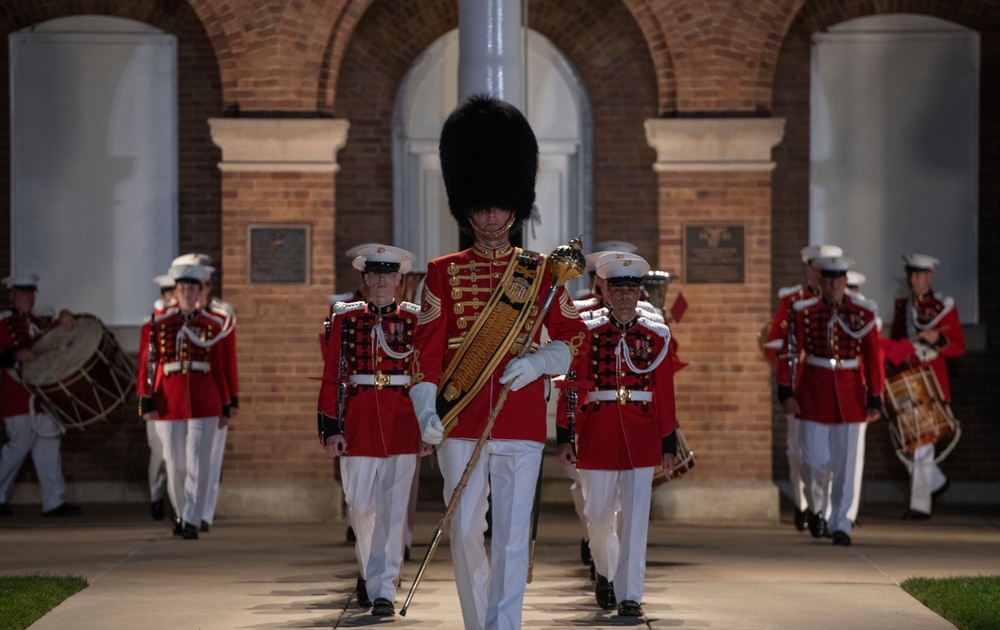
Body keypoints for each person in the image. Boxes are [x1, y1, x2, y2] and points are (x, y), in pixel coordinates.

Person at [409, 94, 588, 630]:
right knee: (464, 531)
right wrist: (426, 409)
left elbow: (574, 337)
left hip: (521, 417)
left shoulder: (541, 273)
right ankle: (477, 620)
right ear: (466, 206)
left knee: (512, 534)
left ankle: (502, 625)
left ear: (516, 203)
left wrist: (539, 364)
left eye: (498, 202)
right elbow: (426, 350)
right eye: (481, 203)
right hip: (460, 419)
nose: (490, 213)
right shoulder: (442, 272)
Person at [556, 252, 677, 618]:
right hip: (598, 432)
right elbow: (572, 386)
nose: (625, 295)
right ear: (605, 292)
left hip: (640, 434)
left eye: (631, 288)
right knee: (597, 515)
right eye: (617, 288)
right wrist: (566, 433)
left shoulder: (656, 335)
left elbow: (665, 392)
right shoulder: (587, 330)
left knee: (636, 519)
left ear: (640, 292)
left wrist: (667, 443)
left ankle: (630, 594)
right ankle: (606, 573)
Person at [317, 244, 429, 617]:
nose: (382, 281)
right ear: (365, 279)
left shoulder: (415, 321)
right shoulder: (345, 320)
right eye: (375, 274)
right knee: (361, 507)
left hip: (402, 423)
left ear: (400, 280)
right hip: (359, 422)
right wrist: (331, 427)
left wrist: (428, 425)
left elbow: (428, 376)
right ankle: (369, 571)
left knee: (395, 512)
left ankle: (385, 588)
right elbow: (332, 375)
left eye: (389, 274)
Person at [776, 255, 883, 547]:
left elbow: (873, 357)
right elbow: (789, 351)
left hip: (849, 393)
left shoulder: (863, 311)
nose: (834, 284)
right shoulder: (803, 311)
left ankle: (841, 523)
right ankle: (817, 508)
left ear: (846, 281)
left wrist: (875, 395)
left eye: (838, 278)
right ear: (820, 281)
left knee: (846, 464)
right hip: (814, 390)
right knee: (812, 460)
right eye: (828, 278)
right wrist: (785, 390)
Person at [137, 261, 229, 539]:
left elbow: (220, 366)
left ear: (200, 291)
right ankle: (179, 510)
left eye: (193, 288)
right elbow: (147, 363)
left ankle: (191, 518)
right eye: (183, 288)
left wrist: (226, 402)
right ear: (175, 292)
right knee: (174, 462)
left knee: (198, 463)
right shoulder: (158, 323)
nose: (187, 293)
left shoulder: (214, 325)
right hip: (169, 398)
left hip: (204, 397)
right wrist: (145, 398)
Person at [762, 244, 842, 532]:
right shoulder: (792, 300)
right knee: (799, 451)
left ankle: (826, 510)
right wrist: (789, 374)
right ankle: (803, 504)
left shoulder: (844, 301)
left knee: (832, 453)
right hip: (799, 386)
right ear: (809, 270)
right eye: (815, 269)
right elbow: (773, 343)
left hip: (830, 388)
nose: (819, 275)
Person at [882, 253, 965, 520]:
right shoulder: (902, 306)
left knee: (922, 444)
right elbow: (896, 342)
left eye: (918, 274)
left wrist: (937, 338)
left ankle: (920, 505)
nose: (913, 279)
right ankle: (937, 483)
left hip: (929, 380)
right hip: (907, 378)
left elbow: (958, 346)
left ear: (929, 276)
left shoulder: (943, 307)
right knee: (911, 441)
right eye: (910, 274)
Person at [0, 273, 81, 517]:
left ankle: (54, 501)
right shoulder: (3, 322)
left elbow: (62, 324)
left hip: (43, 396)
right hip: (17, 394)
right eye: (22, 293)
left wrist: (66, 314)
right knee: (17, 447)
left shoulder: (42, 319)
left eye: (30, 293)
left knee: (48, 445)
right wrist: (14, 356)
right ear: (12, 295)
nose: (27, 298)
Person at [146, 274, 177, 521]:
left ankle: (179, 506)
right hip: (158, 399)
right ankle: (156, 498)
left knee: (178, 457)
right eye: (168, 293)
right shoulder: (153, 324)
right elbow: (145, 366)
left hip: (177, 401)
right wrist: (145, 399)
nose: (172, 297)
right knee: (159, 454)